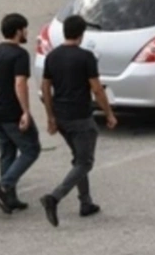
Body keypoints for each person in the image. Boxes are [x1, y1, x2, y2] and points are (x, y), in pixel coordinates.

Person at [38, 15, 118, 227]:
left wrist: (50, 116)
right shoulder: (86, 57)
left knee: (78, 158)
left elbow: (45, 87)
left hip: (61, 116)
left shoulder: (52, 56)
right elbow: (96, 88)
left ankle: (86, 202)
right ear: (81, 35)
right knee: (85, 162)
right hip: (81, 116)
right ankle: (54, 197)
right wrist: (108, 113)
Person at [0, 13, 39, 214]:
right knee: (31, 149)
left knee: (7, 151)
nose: (26, 33)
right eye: (25, 29)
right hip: (11, 112)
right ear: (18, 31)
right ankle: (4, 186)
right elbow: (20, 83)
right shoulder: (19, 55)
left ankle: (10, 199)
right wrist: (25, 111)